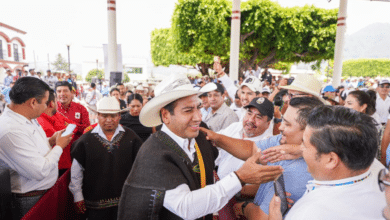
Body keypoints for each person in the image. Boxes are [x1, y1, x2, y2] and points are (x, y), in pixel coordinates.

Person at [118, 74, 283, 219]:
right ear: (166, 115)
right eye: (188, 110)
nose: (197, 117)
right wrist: (240, 178)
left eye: (198, 108)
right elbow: (186, 207)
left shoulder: (199, 138)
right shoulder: (154, 153)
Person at [201, 97, 322, 219]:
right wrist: (216, 138)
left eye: (287, 124)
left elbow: (262, 216)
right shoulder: (282, 140)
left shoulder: (298, 172)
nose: (280, 127)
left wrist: (242, 207)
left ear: (308, 131)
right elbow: (252, 149)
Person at [268, 105, 386, 220]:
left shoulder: (309, 213)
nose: (301, 148)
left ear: (331, 160)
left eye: (303, 143)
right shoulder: (378, 171)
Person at [0, 77, 73, 219]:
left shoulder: (27, 118)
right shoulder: (10, 130)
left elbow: (31, 146)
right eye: (46, 102)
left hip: (41, 193)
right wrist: (59, 146)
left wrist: (50, 141)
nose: (47, 107)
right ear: (33, 102)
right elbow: (39, 171)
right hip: (30, 198)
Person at [70, 97, 143, 220]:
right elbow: (76, 172)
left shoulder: (132, 138)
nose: (109, 120)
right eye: (104, 116)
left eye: (113, 116)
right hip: (94, 203)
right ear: (97, 116)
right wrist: (78, 197)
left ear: (119, 116)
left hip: (125, 201)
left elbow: (140, 169)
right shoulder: (84, 141)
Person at [37, 89, 78, 176]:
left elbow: (73, 125)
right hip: (56, 167)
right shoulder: (42, 124)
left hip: (64, 163)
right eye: (56, 102)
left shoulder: (56, 114)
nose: (58, 104)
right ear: (52, 103)